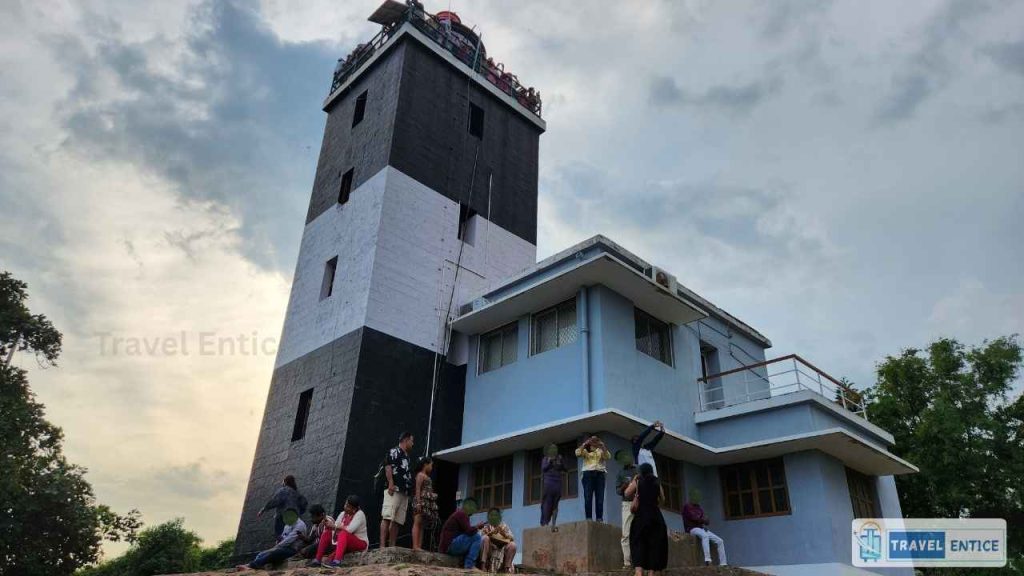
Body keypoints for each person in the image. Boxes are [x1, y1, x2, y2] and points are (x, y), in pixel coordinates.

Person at [625, 463, 668, 576]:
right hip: (655, 517)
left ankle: (639, 571)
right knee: (654, 545)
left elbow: (626, 493)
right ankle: (651, 572)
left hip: (641, 517)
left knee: (638, 542)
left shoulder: (638, 480)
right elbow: (663, 499)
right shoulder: (657, 482)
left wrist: (634, 483)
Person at [237, 508, 307, 571]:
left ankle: (251, 566)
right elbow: (284, 536)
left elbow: (289, 540)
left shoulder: (300, 525)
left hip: (293, 549)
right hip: (284, 547)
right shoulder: (288, 524)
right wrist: (280, 539)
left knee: (274, 553)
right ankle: (254, 566)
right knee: (261, 554)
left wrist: (276, 547)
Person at [310, 495, 369, 567]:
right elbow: (335, 526)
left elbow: (349, 530)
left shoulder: (360, 514)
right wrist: (328, 525)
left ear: (354, 509)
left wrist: (334, 526)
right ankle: (318, 559)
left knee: (343, 533)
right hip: (345, 542)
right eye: (345, 504)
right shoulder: (343, 514)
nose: (345, 507)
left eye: (348, 506)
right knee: (327, 532)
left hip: (361, 543)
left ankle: (337, 561)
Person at [381, 432, 414, 548]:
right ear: (405, 440)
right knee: (387, 517)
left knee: (397, 520)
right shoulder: (394, 451)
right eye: (411, 440)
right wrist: (390, 483)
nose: (412, 443)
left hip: (404, 492)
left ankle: (392, 545)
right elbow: (388, 466)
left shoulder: (407, 456)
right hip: (394, 489)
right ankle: (382, 546)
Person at [682, 488, 727, 566]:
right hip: (692, 529)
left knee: (720, 541)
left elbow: (707, 521)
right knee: (705, 536)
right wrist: (703, 520)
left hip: (701, 528)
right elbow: (694, 518)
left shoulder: (699, 508)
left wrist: (703, 520)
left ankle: (723, 563)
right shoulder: (687, 506)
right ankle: (708, 560)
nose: (697, 498)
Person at [439, 497, 484, 570]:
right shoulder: (461, 514)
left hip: (448, 546)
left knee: (474, 537)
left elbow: (467, 531)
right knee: (477, 537)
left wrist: (475, 528)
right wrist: (477, 526)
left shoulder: (461, 514)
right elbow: (469, 531)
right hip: (450, 545)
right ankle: (469, 565)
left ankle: (468, 563)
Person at [575, 435, 611, 522]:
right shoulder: (586, 449)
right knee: (588, 497)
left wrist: (602, 445)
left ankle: (599, 518)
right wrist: (585, 443)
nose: (594, 442)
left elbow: (608, 457)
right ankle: (589, 518)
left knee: (600, 498)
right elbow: (577, 453)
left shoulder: (601, 450)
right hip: (588, 474)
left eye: (596, 440)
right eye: (592, 440)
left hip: (600, 474)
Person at [614, 450, 638, 568]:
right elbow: (618, 491)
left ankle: (641, 561)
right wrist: (624, 486)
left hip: (640, 504)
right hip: (627, 505)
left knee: (641, 532)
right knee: (626, 534)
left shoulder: (638, 470)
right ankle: (627, 562)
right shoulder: (620, 473)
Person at [412, 456, 439, 551]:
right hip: (421, 501)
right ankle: (415, 546)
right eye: (431, 465)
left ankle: (419, 545)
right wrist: (418, 503)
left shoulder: (426, 476)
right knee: (417, 522)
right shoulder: (420, 475)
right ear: (425, 465)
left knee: (422, 524)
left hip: (426, 502)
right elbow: (418, 489)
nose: (431, 467)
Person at [481, 508, 517, 573]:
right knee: (485, 538)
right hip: (490, 549)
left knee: (513, 545)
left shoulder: (503, 525)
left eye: (495, 515)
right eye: (492, 515)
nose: (494, 517)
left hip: (502, 549)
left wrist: (504, 533)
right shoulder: (486, 526)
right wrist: (492, 533)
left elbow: (512, 538)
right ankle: (483, 565)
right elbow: (482, 538)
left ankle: (507, 568)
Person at [540, 444, 566, 531]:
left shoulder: (559, 458)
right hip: (549, 483)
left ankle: (553, 524)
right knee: (547, 503)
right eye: (552, 448)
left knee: (555, 504)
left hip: (557, 483)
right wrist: (550, 461)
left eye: (555, 448)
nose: (554, 450)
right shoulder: (546, 458)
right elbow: (544, 468)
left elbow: (564, 468)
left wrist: (561, 462)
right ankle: (545, 523)